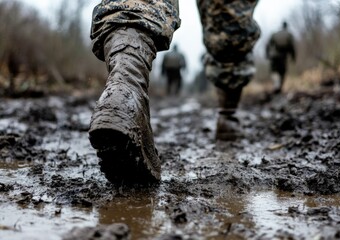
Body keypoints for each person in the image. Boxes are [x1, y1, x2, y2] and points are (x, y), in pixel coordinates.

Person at [89, 0, 260, 184]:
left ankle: (124, 88)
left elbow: (169, 65)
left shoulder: (174, 56)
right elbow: (182, 63)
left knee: (136, 4)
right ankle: (228, 114)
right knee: (227, 16)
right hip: (176, 71)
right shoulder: (178, 56)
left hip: (165, 69)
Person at [266, 21, 296, 94]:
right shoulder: (289, 35)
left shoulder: (275, 34)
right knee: (282, 72)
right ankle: (279, 86)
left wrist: (267, 54)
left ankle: (277, 84)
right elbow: (292, 47)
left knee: (274, 71)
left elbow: (268, 45)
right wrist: (293, 57)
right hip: (282, 57)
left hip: (273, 56)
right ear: (286, 26)